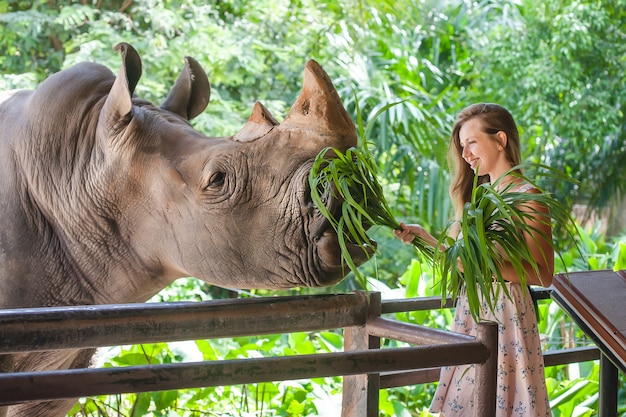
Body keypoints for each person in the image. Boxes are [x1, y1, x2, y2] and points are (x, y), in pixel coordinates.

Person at [394, 103, 554, 416]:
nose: (465, 154)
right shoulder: (477, 200)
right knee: (465, 401)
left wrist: (480, 266)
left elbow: (543, 274)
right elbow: (460, 260)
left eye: (472, 142)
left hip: (508, 316)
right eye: (462, 146)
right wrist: (425, 238)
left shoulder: (528, 198)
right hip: (471, 313)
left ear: (501, 140)